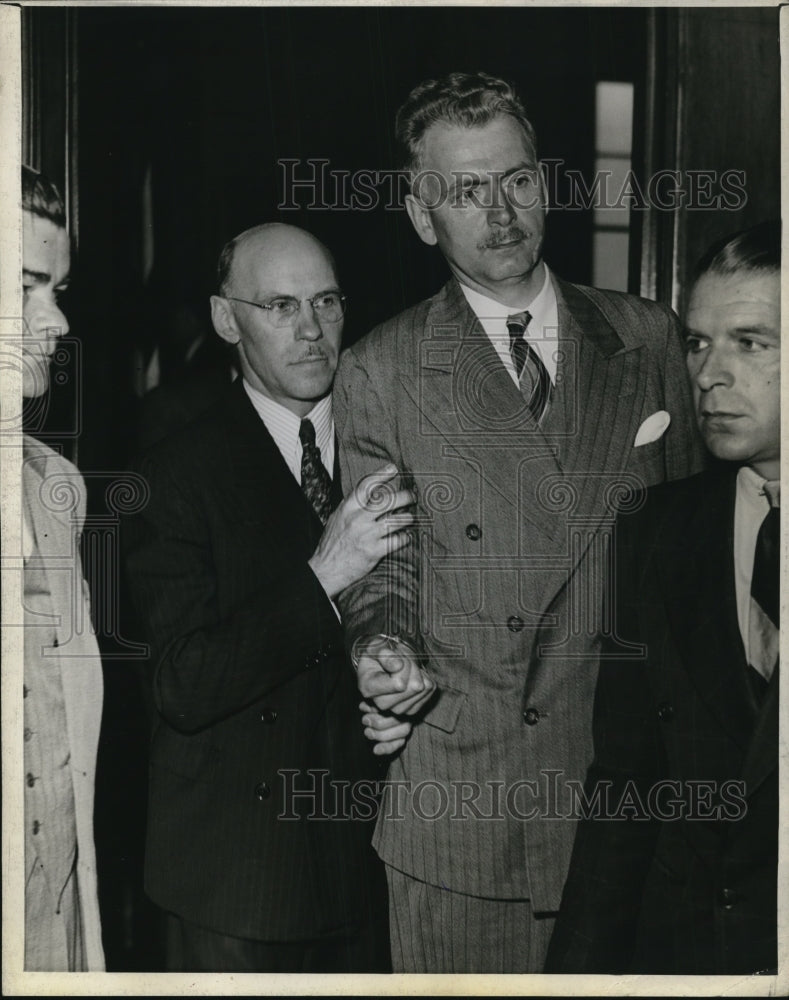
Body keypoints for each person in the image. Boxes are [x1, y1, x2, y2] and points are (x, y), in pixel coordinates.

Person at [333, 71, 706, 973]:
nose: (499, 213)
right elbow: (384, 567)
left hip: (616, 800)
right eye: (464, 190)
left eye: (516, 180)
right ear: (423, 217)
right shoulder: (382, 367)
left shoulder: (646, 340)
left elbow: (690, 566)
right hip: (459, 815)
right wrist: (381, 645)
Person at [122, 222, 410, 972]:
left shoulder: (388, 445)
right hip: (233, 877)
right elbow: (183, 683)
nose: (312, 330)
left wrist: (401, 677)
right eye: (281, 306)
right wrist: (323, 575)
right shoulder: (174, 472)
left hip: (371, 860)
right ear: (226, 320)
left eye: (326, 302)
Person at [544, 220, 781, 975]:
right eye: (696, 343)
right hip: (683, 957)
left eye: (749, 342)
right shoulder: (654, 531)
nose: (708, 373)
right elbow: (623, 792)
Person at [20, 165, 105, 971]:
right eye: (25, 286)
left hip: (52, 930)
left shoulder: (57, 489)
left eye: (59, 288)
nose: (55, 318)